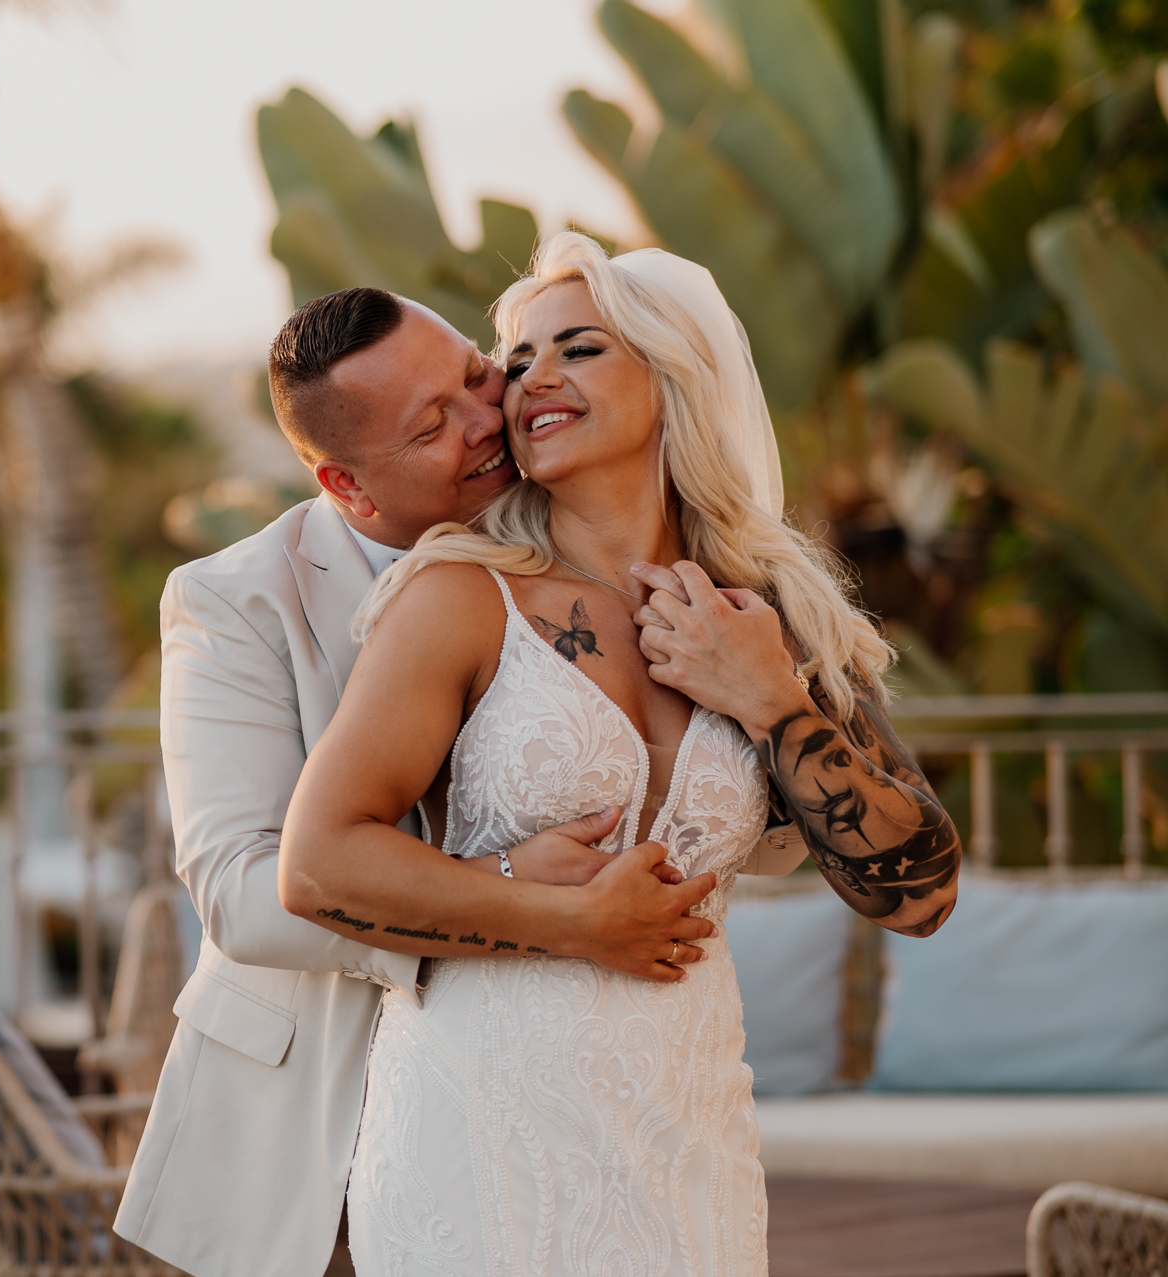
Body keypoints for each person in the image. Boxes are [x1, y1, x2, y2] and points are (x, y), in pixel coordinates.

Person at [279, 233, 961, 1275]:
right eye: (516, 356)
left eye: (578, 349)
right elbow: (319, 858)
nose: (529, 377)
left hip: (691, 1141)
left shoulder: (761, 614)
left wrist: (771, 699)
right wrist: (565, 912)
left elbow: (921, 893)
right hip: (482, 1146)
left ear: (671, 372)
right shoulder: (460, 595)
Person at [115, 286, 746, 1277]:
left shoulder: (600, 549)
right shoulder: (233, 598)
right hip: (311, 1127)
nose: (489, 416)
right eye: (432, 425)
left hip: (565, 1115)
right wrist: (511, 893)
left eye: (473, 373)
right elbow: (242, 890)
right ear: (350, 486)